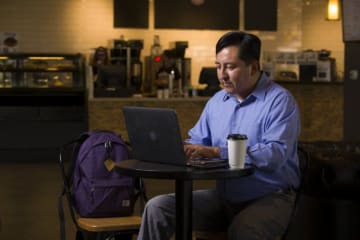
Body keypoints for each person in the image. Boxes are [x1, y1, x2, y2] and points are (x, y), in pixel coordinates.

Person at [137, 31, 301, 240]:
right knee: (157, 208)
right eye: (218, 66)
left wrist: (217, 152)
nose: (221, 75)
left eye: (230, 67)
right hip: (225, 198)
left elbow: (275, 154)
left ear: (253, 67)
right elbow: (197, 139)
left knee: (244, 231)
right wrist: (184, 150)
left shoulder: (279, 101)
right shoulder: (217, 101)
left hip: (269, 197)